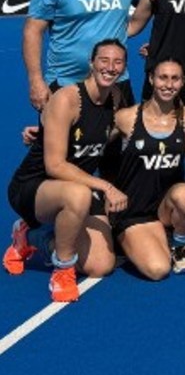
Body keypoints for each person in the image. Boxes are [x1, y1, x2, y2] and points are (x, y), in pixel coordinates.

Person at [5, 39, 127, 301]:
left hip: (77, 187)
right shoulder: (67, 99)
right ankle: (62, 270)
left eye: (117, 62)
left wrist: (46, 132)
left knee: (101, 265)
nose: (110, 67)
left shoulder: (116, 97)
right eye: (104, 60)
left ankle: (33, 237)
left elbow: (108, 132)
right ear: (91, 63)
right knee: (79, 195)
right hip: (33, 187)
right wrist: (106, 186)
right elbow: (55, 165)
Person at [109, 58, 185, 278]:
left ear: (182, 82)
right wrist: (48, 130)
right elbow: (90, 141)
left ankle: (180, 246)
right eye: (163, 78)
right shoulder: (126, 118)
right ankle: (129, 239)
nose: (168, 85)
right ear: (151, 79)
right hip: (132, 211)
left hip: (165, 208)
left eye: (175, 79)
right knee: (158, 270)